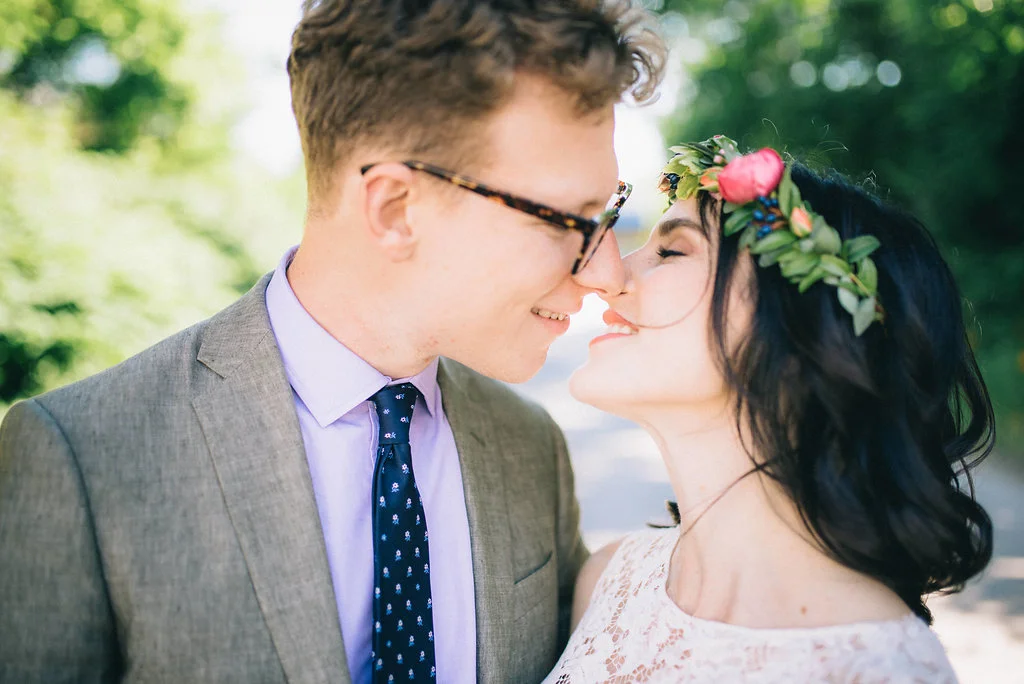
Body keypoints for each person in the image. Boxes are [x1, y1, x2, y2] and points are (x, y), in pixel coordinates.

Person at [0, 2, 665, 682]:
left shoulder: (532, 447)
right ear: (395, 210)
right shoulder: (85, 457)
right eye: (569, 220)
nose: (609, 271)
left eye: (608, 212)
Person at [546, 136, 994, 682]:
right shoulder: (606, 582)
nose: (607, 276)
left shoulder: (881, 670)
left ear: (802, 331)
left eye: (671, 250)